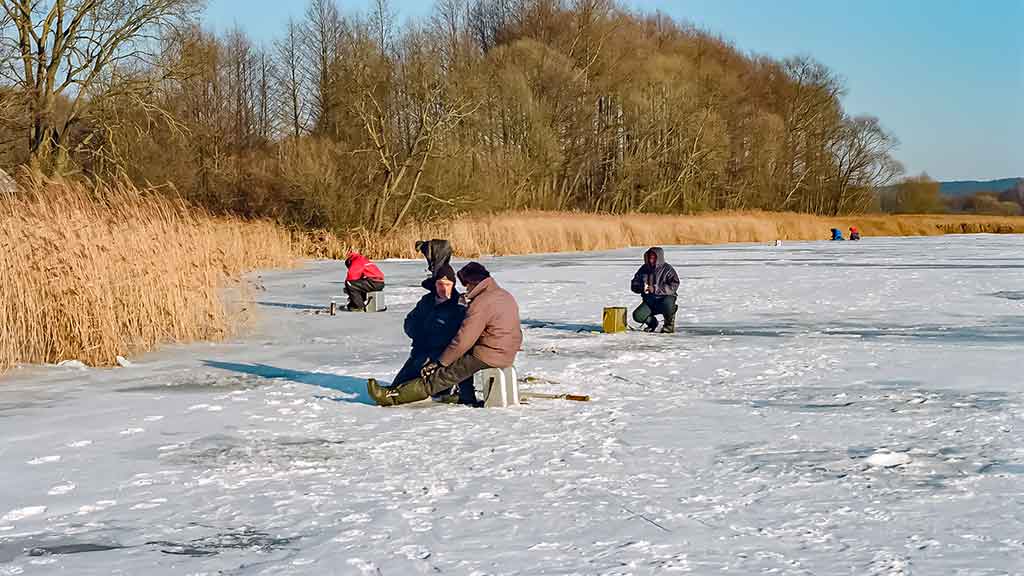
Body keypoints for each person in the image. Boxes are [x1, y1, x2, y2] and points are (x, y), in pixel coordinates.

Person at [367, 262, 522, 406]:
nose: (466, 290)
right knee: (455, 363)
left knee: (443, 375)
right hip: (504, 351)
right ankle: (462, 396)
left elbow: (463, 340)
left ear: (473, 282)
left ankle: (392, 398)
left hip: (487, 352)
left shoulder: (480, 302)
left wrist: (441, 362)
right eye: (440, 284)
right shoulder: (503, 295)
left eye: (466, 286)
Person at [393, 264, 476, 404]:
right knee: (400, 382)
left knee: (421, 377)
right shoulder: (427, 300)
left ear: (453, 285)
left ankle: (444, 390)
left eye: (448, 284)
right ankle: (394, 392)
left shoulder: (458, 304)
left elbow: (458, 333)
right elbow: (410, 321)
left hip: (441, 352)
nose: (443, 288)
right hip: (420, 349)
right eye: (440, 284)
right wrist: (418, 334)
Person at [630, 247, 680, 333]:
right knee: (637, 316)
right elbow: (634, 284)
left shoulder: (667, 269)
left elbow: (674, 285)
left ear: (659, 258)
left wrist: (656, 289)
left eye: (653, 258)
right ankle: (652, 323)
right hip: (650, 301)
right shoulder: (643, 269)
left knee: (668, 305)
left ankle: (669, 325)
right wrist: (641, 287)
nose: (651, 260)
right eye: (649, 258)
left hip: (665, 299)